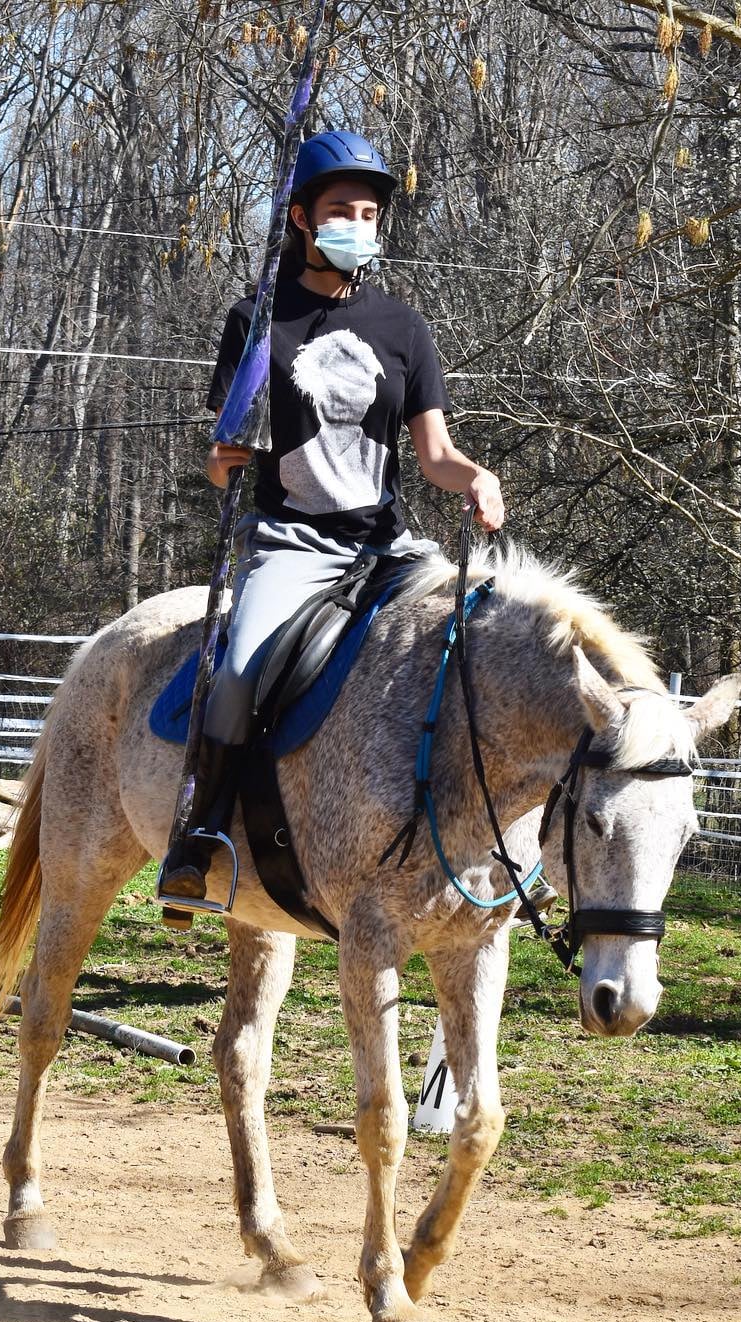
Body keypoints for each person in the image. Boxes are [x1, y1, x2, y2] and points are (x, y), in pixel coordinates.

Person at [159, 129, 505, 902]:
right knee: (241, 667)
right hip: (292, 543)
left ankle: (503, 846)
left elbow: (436, 454)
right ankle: (201, 831)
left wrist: (477, 478)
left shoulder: (404, 328)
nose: (358, 224)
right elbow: (222, 445)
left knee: (478, 643)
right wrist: (221, 462)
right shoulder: (256, 320)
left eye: (371, 214)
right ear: (302, 220)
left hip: (386, 546)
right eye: (341, 210)